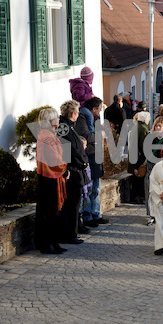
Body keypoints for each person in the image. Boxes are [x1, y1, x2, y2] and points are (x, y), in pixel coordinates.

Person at [35, 108, 68, 255]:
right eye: (56, 118)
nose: (59, 120)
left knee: (51, 212)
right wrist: (64, 167)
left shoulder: (46, 135)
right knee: (49, 212)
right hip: (50, 178)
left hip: (50, 177)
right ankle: (47, 243)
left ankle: (53, 242)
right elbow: (54, 159)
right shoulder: (47, 137)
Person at [58, 100, 90, 245]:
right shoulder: (64, 128)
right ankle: (69, 234)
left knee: (74, 204)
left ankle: (72, 232)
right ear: (73, 114)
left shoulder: (68, 127)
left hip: (75, 169)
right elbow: (69, 150)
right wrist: (81, 162)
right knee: (71, 204)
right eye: (77, 113)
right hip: (71, 170)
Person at [75, 96, 110, 228]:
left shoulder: (95, 119)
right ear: (94, 109)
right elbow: (84, 135)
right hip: (89, 155)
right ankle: (88, 216)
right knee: (89, 189)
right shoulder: (83, 118)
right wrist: (98, 136)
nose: (101, 111)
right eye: (100, 109)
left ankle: (96, 213)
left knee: (96, 188)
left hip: (96, 155)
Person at [145, 116, 163, 225]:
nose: (157, 127)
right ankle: (151, 214)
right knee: (150, 190)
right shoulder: (150, 137)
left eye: (159, 125)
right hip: (151, 166)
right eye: (156, 125)